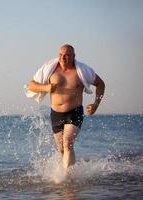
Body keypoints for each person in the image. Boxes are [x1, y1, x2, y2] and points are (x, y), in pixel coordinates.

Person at [25, 44, 105, 174]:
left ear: (73, 56)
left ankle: (67, 178)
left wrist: (96, 104)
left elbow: (101, 84)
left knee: (68, 143)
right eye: (61, 55)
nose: (63, 58)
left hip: (75, 112)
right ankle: (72, 172)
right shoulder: (49, 69)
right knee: (61, 148)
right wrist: (46, 88)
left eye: (67, 55)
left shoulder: (82, 71)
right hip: (56, 114)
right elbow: (31, 85)